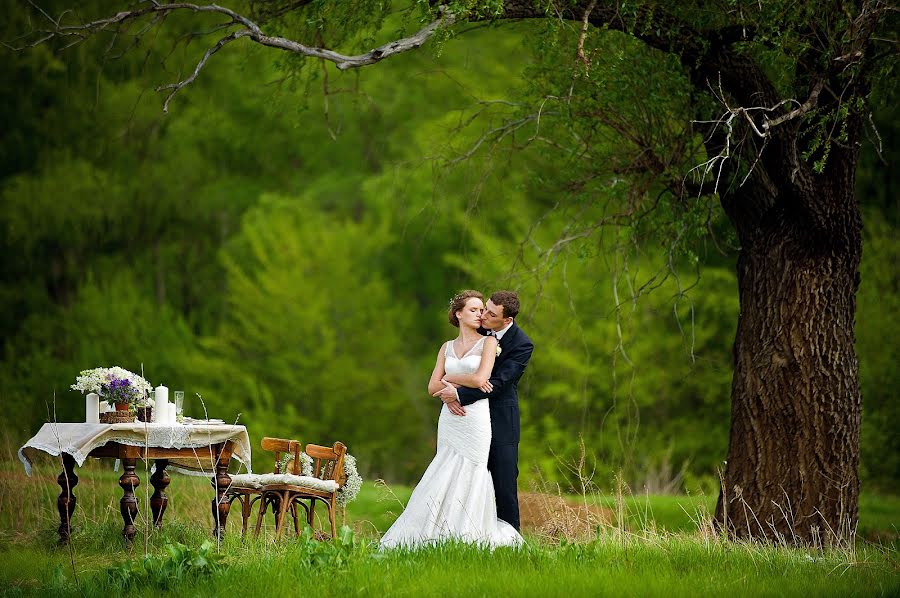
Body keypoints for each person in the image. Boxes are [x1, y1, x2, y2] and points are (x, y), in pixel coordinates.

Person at [379, 290, 523, 548]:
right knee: (444, 467)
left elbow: (481, 380)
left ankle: (468, 532)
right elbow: (432, 387)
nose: (481, 314)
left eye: (483, 310)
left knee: (474, 470)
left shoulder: (489, 342)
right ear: (458, 314)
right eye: (475, 310)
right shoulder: (446, 347)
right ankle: (435, 531)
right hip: (449, 418)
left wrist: (451, 382)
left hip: (475, 416)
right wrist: (448, 388)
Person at [434, 290, 533, 531]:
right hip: (466, 419)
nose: (483, 315)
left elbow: (499, 383)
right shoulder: (479, 331)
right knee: (463, 475)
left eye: (490, 313)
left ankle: (510, 539)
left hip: (499, 418)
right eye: (484, 308)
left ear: (507, 320)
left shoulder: (522, 344)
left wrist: (457, 394)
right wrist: (452, 389)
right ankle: (459, 530)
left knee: (504, 480)